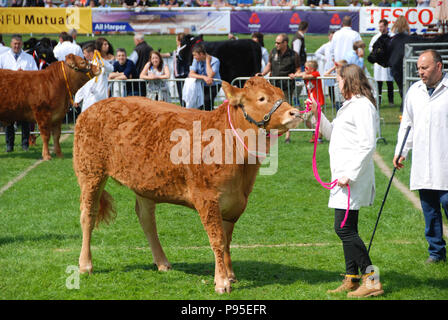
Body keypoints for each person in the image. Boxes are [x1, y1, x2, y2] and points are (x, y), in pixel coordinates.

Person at [308, 64, 383, 298]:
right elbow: (332, 135)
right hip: (343, 177)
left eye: (339, 80)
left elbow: (368, 143)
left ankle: (371, 280)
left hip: (351, 178)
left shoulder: (362, 107)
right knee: (347, 228)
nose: (337, 84)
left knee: (343, 228)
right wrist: (316, 113)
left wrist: (350, 174)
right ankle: (351, 277)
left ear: (348, 80)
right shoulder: (349, 106)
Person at [393, 49, 448, 264]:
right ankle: (436, 252)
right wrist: (400, 152)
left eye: (424, 68)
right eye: (418, 68)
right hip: (423, 160)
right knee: (430, 209)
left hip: (445, 159)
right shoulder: (415, 91)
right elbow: (407, 125)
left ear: (439, 67)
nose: (420, 72)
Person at [256, 33, 300, 143]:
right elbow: (269, 65)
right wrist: (263, 73)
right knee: (270, 109)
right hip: (273, 86)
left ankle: (287, 136)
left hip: (287, 87)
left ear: (285, 43)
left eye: (279, 43)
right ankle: (268, 132)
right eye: (276, 42)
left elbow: (298, 69)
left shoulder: (293, 55)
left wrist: (295, 74)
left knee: (287, 111)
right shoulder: (273, 52)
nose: (276, 44)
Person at [0, 34, 38, 153]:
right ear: (11, 44)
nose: (17, 46)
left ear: (22, 44)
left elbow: (35, 75)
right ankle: (9, 146)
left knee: (25, 119)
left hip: (24, 93)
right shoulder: (3, 58)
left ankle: (25, 144)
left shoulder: (29, 58)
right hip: (8, 94)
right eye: (15, 43)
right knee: (9, 120)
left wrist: (24, 74)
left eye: (19, 43)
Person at [73, 43, 113, 113]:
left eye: (85, 53)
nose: (84, 55)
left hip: (99, 98)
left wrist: (100, 60)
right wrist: (78, 98)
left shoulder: (101, 64)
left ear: (91, 53)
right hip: (88, 100)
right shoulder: (85, 67)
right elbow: (83, 85)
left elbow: (111, 69)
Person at [292, 60, 324, 143]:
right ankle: (315, 132)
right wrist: (295, 75)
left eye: (306, 68)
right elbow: (302, 75)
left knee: (317, 120)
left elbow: (304, 76)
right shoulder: (307, 73)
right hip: (310, 102)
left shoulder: (316, 73)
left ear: (312, 69)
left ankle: (319, 138)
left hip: (318, 102)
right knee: (304, 118)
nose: (304, 70)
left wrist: (298, 75)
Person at [188, 43, 221, 111]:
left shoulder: (215, 61)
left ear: (201, 54)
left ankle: (209, 118)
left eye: (195, 55)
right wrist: (203, 77)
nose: (194, 57)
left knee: (207, 101)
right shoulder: (196, 60)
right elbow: (191, 74)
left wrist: (207, 61)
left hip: (214, 85)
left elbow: (210, 75)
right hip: (202, 84)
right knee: (200, 103)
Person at [369, 19, 394, 106]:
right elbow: (371, 49)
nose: (380, 28)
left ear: (386, 26)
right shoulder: (376, 37)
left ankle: (391, 101)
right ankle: (378, 101)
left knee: (389, 82)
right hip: (379, 64)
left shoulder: (391, 36)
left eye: (382, 26)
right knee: (379, 83)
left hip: (388, 63)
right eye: (379, 26)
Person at [388, 15, 410, 112]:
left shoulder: (393, 39)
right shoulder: (408, 38)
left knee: (401, 85)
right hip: (406, 63)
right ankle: (406, 104)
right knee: (408, 84)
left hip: (396, 64)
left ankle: (404, 102)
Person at [315, 30, 335, 107]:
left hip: (336, 67)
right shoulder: (326, 45)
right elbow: (317, 53)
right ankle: (332, 102)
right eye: (331, 36)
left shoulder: (337, 45)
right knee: (330, 86)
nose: (332, 38)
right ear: (328, 36)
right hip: (329, 68)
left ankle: (338, 101)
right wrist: (324, 58)